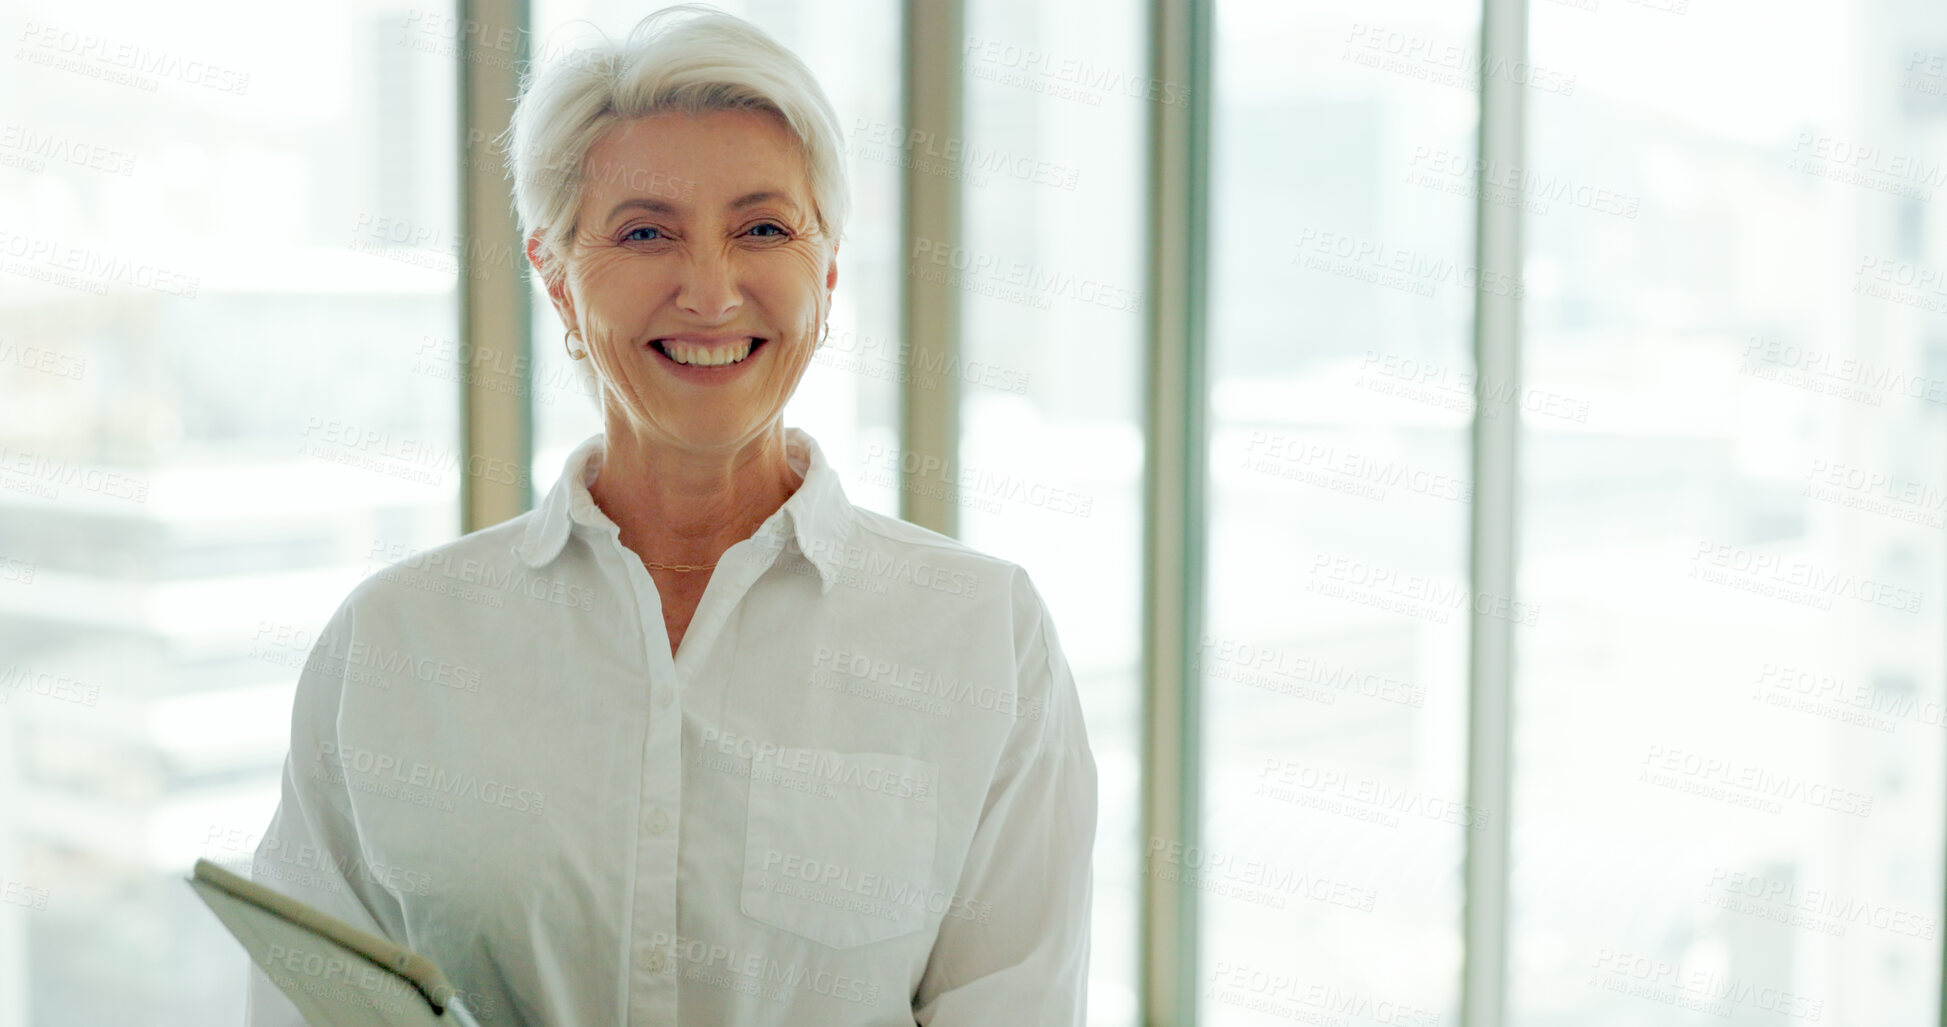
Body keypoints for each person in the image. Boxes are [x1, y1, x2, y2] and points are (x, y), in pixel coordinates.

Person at [244, 5, 1097, 1025]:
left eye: (764, 229)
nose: (709, 289)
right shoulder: (393, 642)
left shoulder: (983, 635)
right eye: (646, 231)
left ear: (826, 273)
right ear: (555, 276)